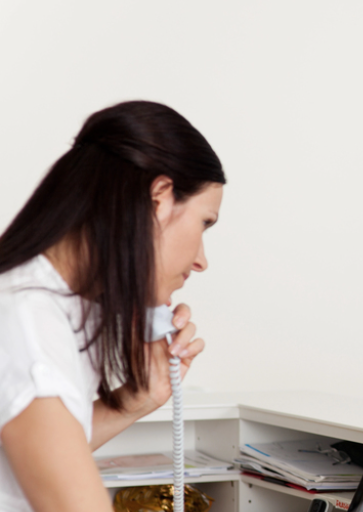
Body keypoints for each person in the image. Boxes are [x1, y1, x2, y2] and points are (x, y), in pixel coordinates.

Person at [0, 101, 226, 511]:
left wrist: (137, 398)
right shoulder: (25, 320)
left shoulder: (49, 305)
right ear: (158, 197)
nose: (201, 260)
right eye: (203, 222)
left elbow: (27, 464)